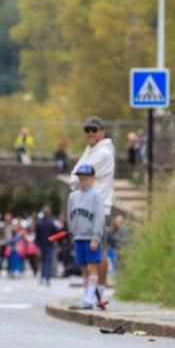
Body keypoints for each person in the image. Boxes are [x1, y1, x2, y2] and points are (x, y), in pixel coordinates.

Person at [69, 116, 115, 304]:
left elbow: (76, 177)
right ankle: (94, 292)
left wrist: (75, 177)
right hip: (84, 206)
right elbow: (76, 174)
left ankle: (100, 292)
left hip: (99, 207)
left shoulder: (103, 152)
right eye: (87, 130)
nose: (90, 134)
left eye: (94, 130)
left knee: (99, 252)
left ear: (102, 131)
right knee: (88, 256)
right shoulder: (91, 150)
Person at [67, 165, 105, 310]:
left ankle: (91, 298)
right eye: (81, 178)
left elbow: (99, 218)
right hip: (78, 237)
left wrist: (96, 236)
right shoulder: (73, 196)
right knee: (83, 268)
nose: (83, 181)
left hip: (90, 237)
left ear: (92, 179)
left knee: (92, 267)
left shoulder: (96, 196)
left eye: (86, 178)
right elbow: (70, 216)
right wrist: (72, 233)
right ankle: (86, 296)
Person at [35, 207, 59, 286]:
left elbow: (37, 236)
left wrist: (37, 246)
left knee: (43, 262)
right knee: (49, 262)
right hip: (50, 244)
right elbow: (56, 233)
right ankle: (47, 278)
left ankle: (42, 277)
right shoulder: (51, 223)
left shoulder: (39, 223)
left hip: (42, 245)